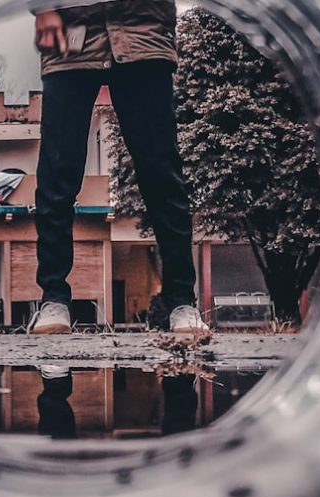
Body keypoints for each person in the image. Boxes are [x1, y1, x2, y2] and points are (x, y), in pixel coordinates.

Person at [29, 0, 209, 334]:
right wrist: (42, 7)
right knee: (57, 170)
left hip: (142, 28)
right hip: (72, 31)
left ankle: (182, 300)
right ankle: (53, 298)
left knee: (161, 171)